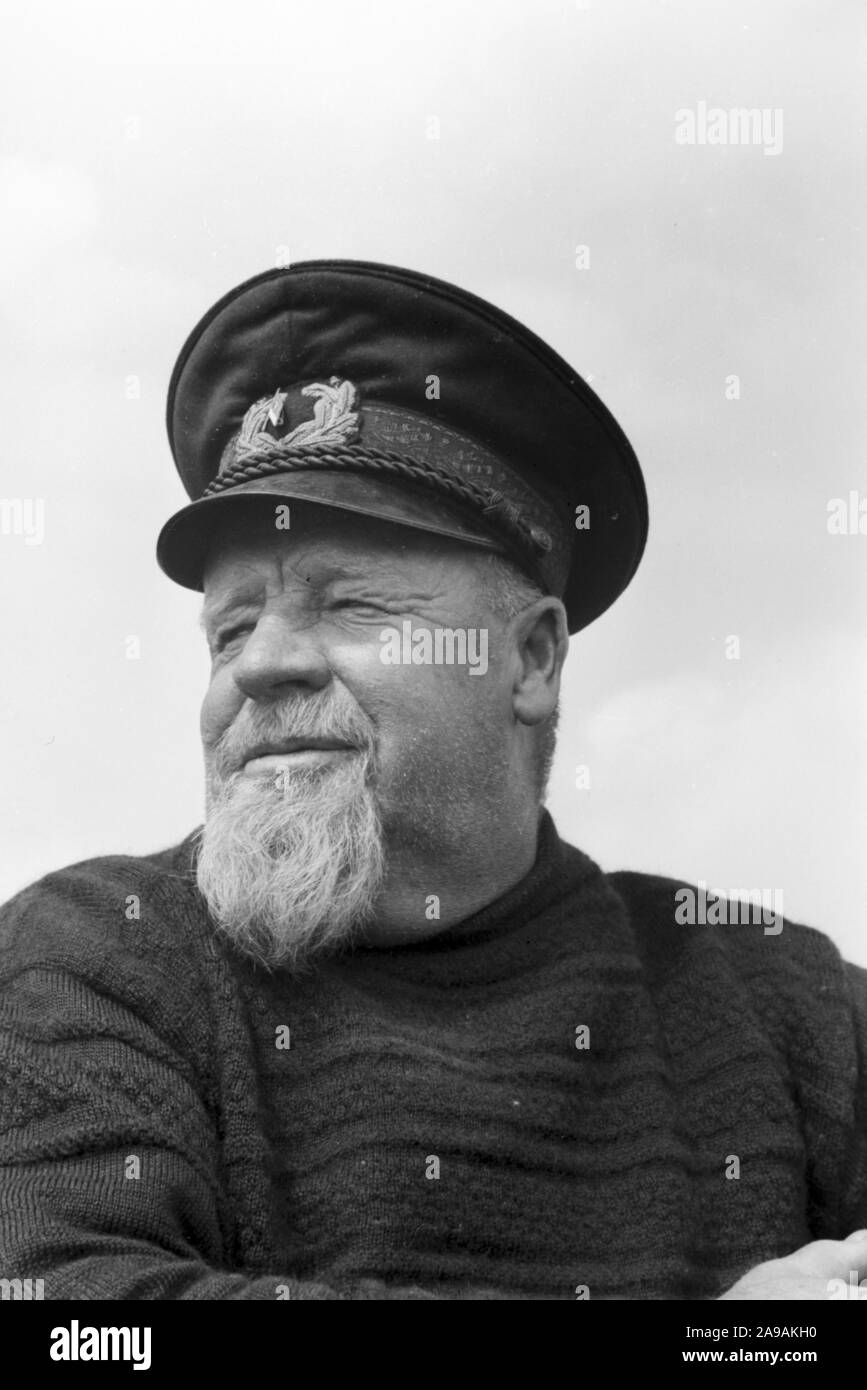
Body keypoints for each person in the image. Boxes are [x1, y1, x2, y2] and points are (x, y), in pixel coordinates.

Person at [1, 261, 864, 1301]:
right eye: (231, 626)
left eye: (351, 604)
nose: (260, 663)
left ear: (531, 661)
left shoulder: (787, 1004)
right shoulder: (99, 954)